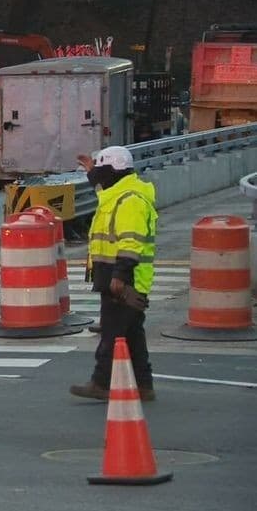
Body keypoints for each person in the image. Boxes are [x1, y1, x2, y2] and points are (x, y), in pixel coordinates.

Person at [70, 146, 158, 402]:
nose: (100, 176)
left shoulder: (129, 201)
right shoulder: (119, 194)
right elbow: (103, 193)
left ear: (116, 172)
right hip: (120, 277)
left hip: (124, 279)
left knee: (112, 333)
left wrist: (119, 277)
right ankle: (144, 385)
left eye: (102, 171)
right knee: (132, 334)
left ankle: (101, 382)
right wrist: (91, 172)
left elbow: (130, 243)